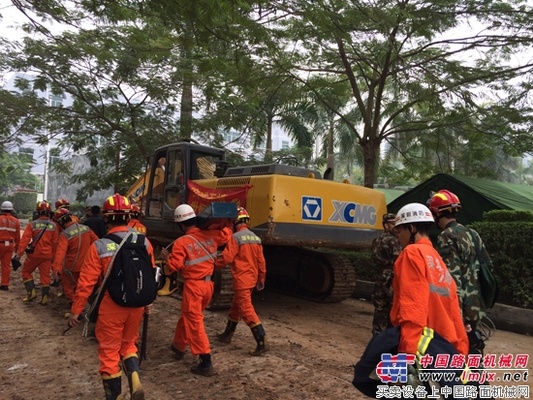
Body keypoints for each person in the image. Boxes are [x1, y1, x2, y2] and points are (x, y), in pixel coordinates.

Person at [68, 193, 155, 400]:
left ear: (106, 218)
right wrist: (148, 302)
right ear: (128, 216)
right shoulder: (144, 242)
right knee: (128, 345)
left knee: (109, 351)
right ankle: (134, 378)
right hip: (137, 304)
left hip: (112, 305)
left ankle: (114, 396)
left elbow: (85, 284)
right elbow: (151, 274)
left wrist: (76, 311)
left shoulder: (99, 245)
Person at [160, 203, 232, 376]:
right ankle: (178, 345)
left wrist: (166, 257)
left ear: (181, 224)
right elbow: (227, 234)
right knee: (188, 315)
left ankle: (205, 360)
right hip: (209, 286)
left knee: (194, 322)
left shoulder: (182, 242)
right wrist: (228, 223)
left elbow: (173, 267)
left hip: (194, 287)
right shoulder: (212, 235)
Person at [391, 203, 469, 356]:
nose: (398, 237)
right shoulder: (435, 257)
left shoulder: (412, 253)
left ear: (412, 229)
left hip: (423, 345)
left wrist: (407, 353)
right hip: (446, 345)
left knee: (365, 372)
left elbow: (413, 306)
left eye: (400, 231)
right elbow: (454, 309)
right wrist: (461, 350)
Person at [429, 189, 491, 353]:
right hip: (476, 305)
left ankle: (472, 378)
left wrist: (456, 313)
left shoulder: (446, 236)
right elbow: (487, 265)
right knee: (474, 351)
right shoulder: (473, 234)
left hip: (461, 307)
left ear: (436, 213)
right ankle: (478, 377)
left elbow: (451, 278)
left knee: (458, 352)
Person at [214, 207, 268, 355]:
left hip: (241, 280)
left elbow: (226, 258)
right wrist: (261, 278)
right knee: (236, 308)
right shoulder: (255, 238)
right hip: (251, 279)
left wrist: (212, 264)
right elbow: (261, 261)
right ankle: (227, 335)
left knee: (246, 309)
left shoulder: (236, 238)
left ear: (236, 221)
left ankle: (261, 341)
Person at [51, 208, 99, 304]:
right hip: (86, 265)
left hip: (71, 267)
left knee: (68, 288)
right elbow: (97, 243)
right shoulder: (86, 228)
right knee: (82, 287)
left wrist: (56, 270)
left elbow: (60, 254)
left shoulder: (65, 234)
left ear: (60, 222)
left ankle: (75, 308)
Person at [15, 200, 58, 305]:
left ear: (38, 212)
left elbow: (25, 240)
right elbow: (55, 243)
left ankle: (31, 293)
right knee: (45, 276)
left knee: (26, 272)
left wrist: (19, 254)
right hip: (47, 255)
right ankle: (44, 299)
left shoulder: (32, 224)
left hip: (34, 254)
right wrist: (54, 257)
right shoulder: (54, 226)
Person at [370, 213, 401, 334]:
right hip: (390, 276)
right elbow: (398, 259)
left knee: (379, 306)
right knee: (391, 306)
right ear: (387, 225)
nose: (396, 227)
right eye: (393, 224)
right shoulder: (393, 240)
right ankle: (388, 334)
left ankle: (377, 333)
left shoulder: (376, 239)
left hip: (379, 275)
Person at [0, 201, 20, 290]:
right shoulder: (16, 221)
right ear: (11, 210)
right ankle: (4, 284)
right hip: (9, 245)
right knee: (6, 265)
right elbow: (18, 237)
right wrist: (17, 249)